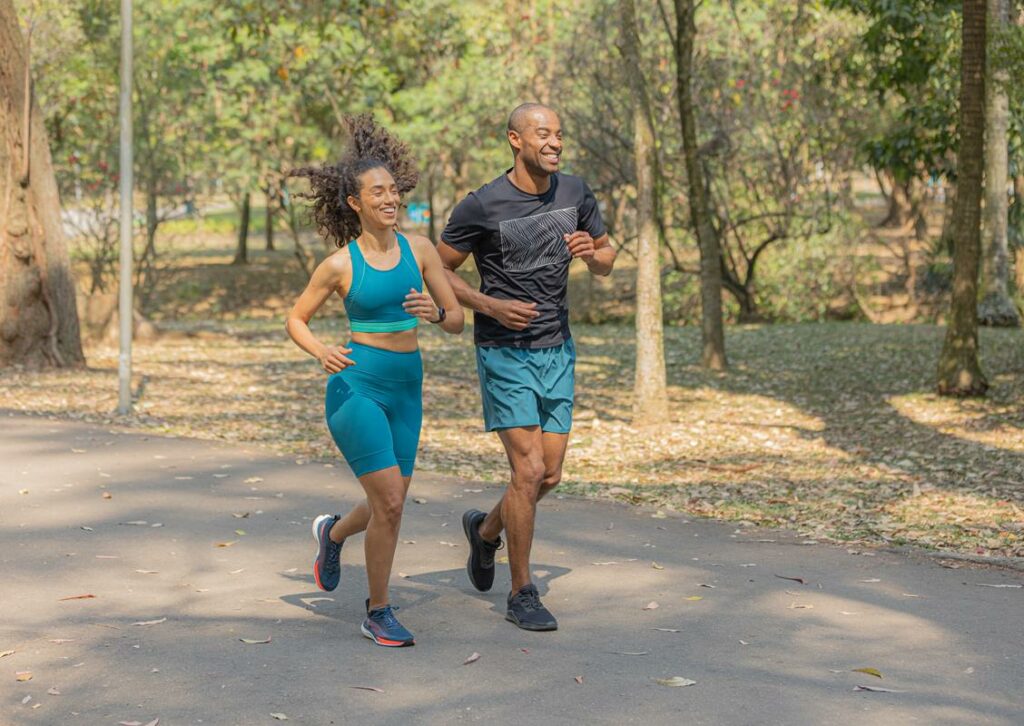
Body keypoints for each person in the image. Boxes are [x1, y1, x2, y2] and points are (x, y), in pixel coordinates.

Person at [286, 114, 464, 647]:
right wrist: (321, 350)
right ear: (355, 203)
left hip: (408, 387)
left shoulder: (421, 250)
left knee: (393, 500)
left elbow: (457, 320)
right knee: (388, 500)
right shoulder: (339, 265)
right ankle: (378, 611)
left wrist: (436, 313)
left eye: (393, 190)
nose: (390, 199)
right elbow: (296, 319)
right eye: (377, 192)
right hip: (356, 386)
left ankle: (332, 532)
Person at [437, 103, 616, 631]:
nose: (555, 142)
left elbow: (608, 259)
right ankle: (521, 592)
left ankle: (485, 532)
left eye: (559, 134)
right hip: (504, 351)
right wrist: (489, 306)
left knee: (550, 475)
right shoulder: (481, 205)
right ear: (515, 139)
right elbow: (437, 271)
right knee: (529, 470)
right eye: (543, 134)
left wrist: (591, 254)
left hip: (557, 348)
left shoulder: (575, 192)